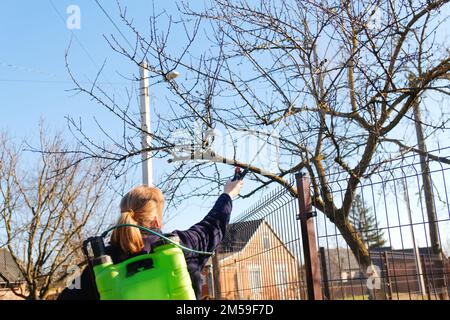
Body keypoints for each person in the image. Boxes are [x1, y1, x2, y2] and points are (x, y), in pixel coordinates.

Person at [57, 179, 244, 300]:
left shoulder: (101, 266)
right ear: (156, 219)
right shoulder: (180, 246)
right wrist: (228, 194)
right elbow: (213, 225)